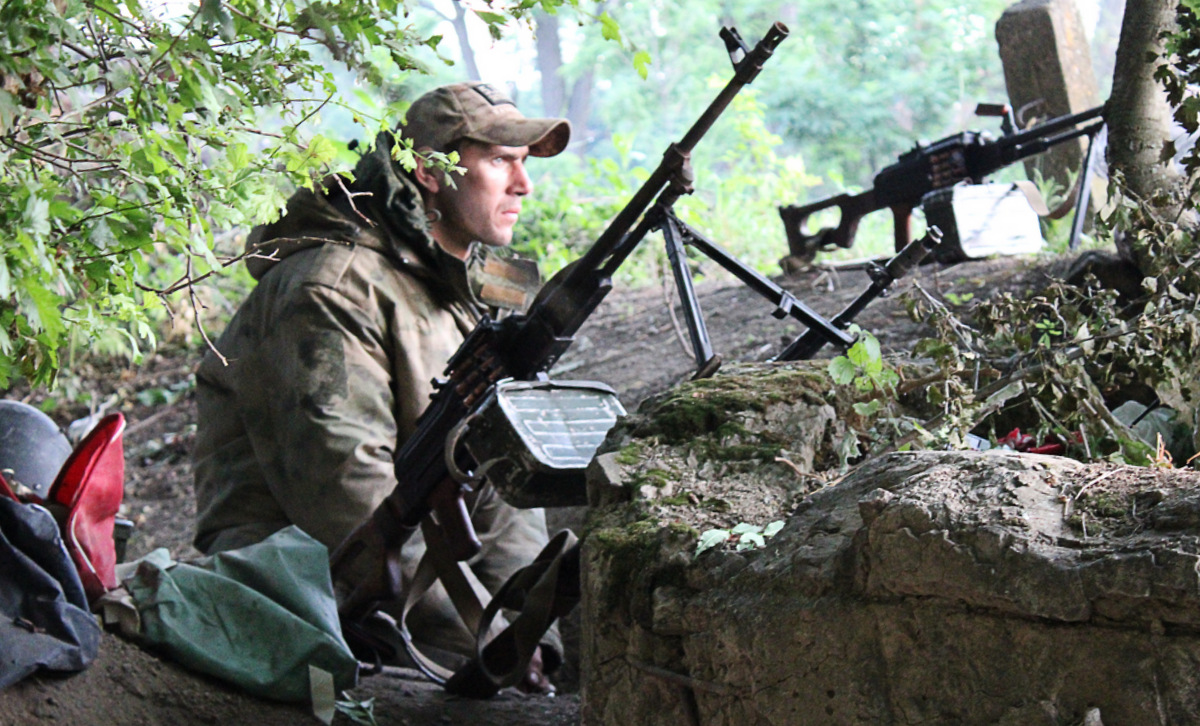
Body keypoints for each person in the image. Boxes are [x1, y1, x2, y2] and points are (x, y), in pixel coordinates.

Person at [190, 82, 571, 693]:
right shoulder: (327, 291)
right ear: (429, 170)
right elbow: (350, 502)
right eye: (500, 161)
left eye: (522, 165)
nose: (522, 187)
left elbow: (498, 485)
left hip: (428, 600)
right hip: (303, 601)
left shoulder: (455, 298)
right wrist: (481, 635)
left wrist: (526, 633)